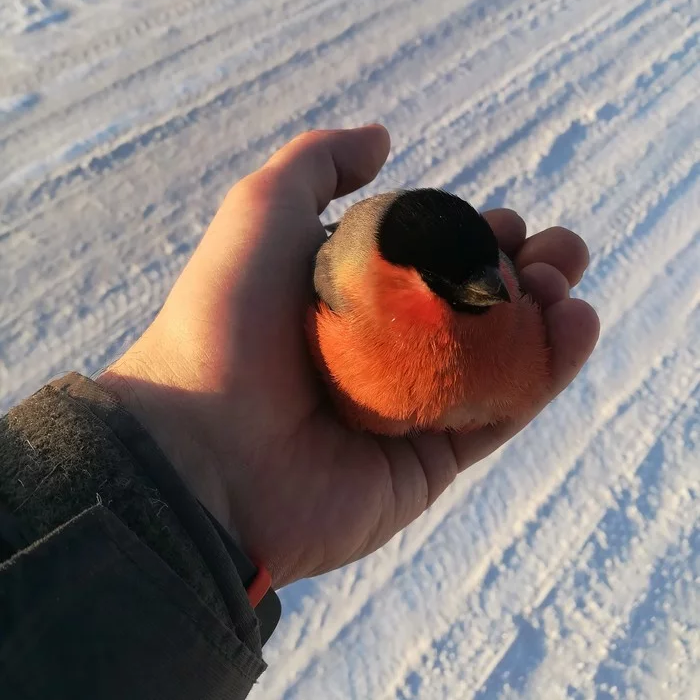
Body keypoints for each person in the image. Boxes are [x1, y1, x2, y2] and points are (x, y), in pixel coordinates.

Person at [0, 126, 599, 699]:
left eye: (492, 271)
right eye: (454, 282)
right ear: (388, 282)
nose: (496, 287)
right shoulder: (341, 297)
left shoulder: (504, 298)